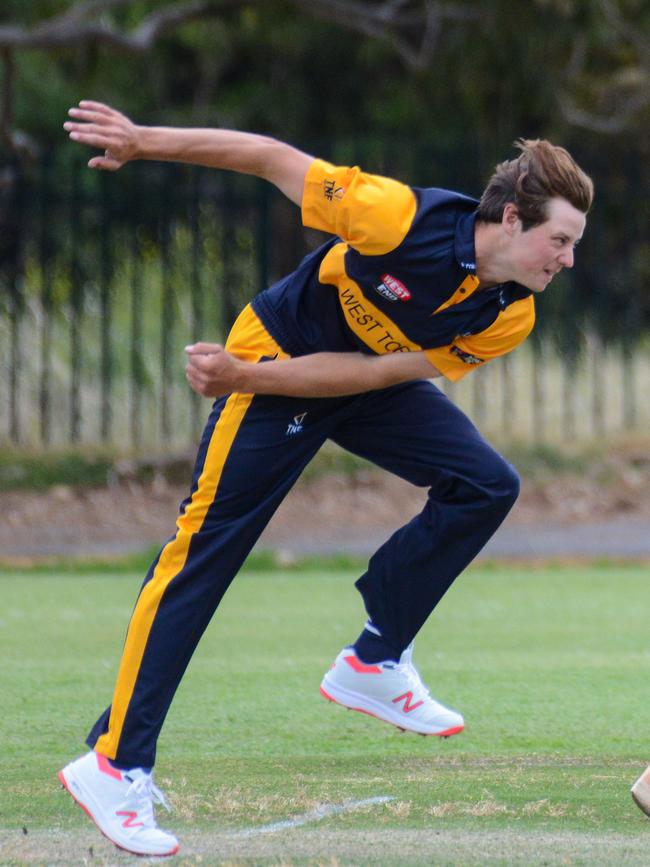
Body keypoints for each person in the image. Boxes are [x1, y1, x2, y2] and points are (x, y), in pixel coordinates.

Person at [58, 101, 593, 857]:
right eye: (560, 240)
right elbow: (272, 157)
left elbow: (379, 371)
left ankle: (374, 658)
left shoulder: (509, 315)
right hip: (277, 354)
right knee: (200, 558)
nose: (568, 259)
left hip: (352, 380)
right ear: (510, 220)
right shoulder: (395, 217)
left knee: (485, 483)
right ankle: (113, 763)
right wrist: (145, 142)